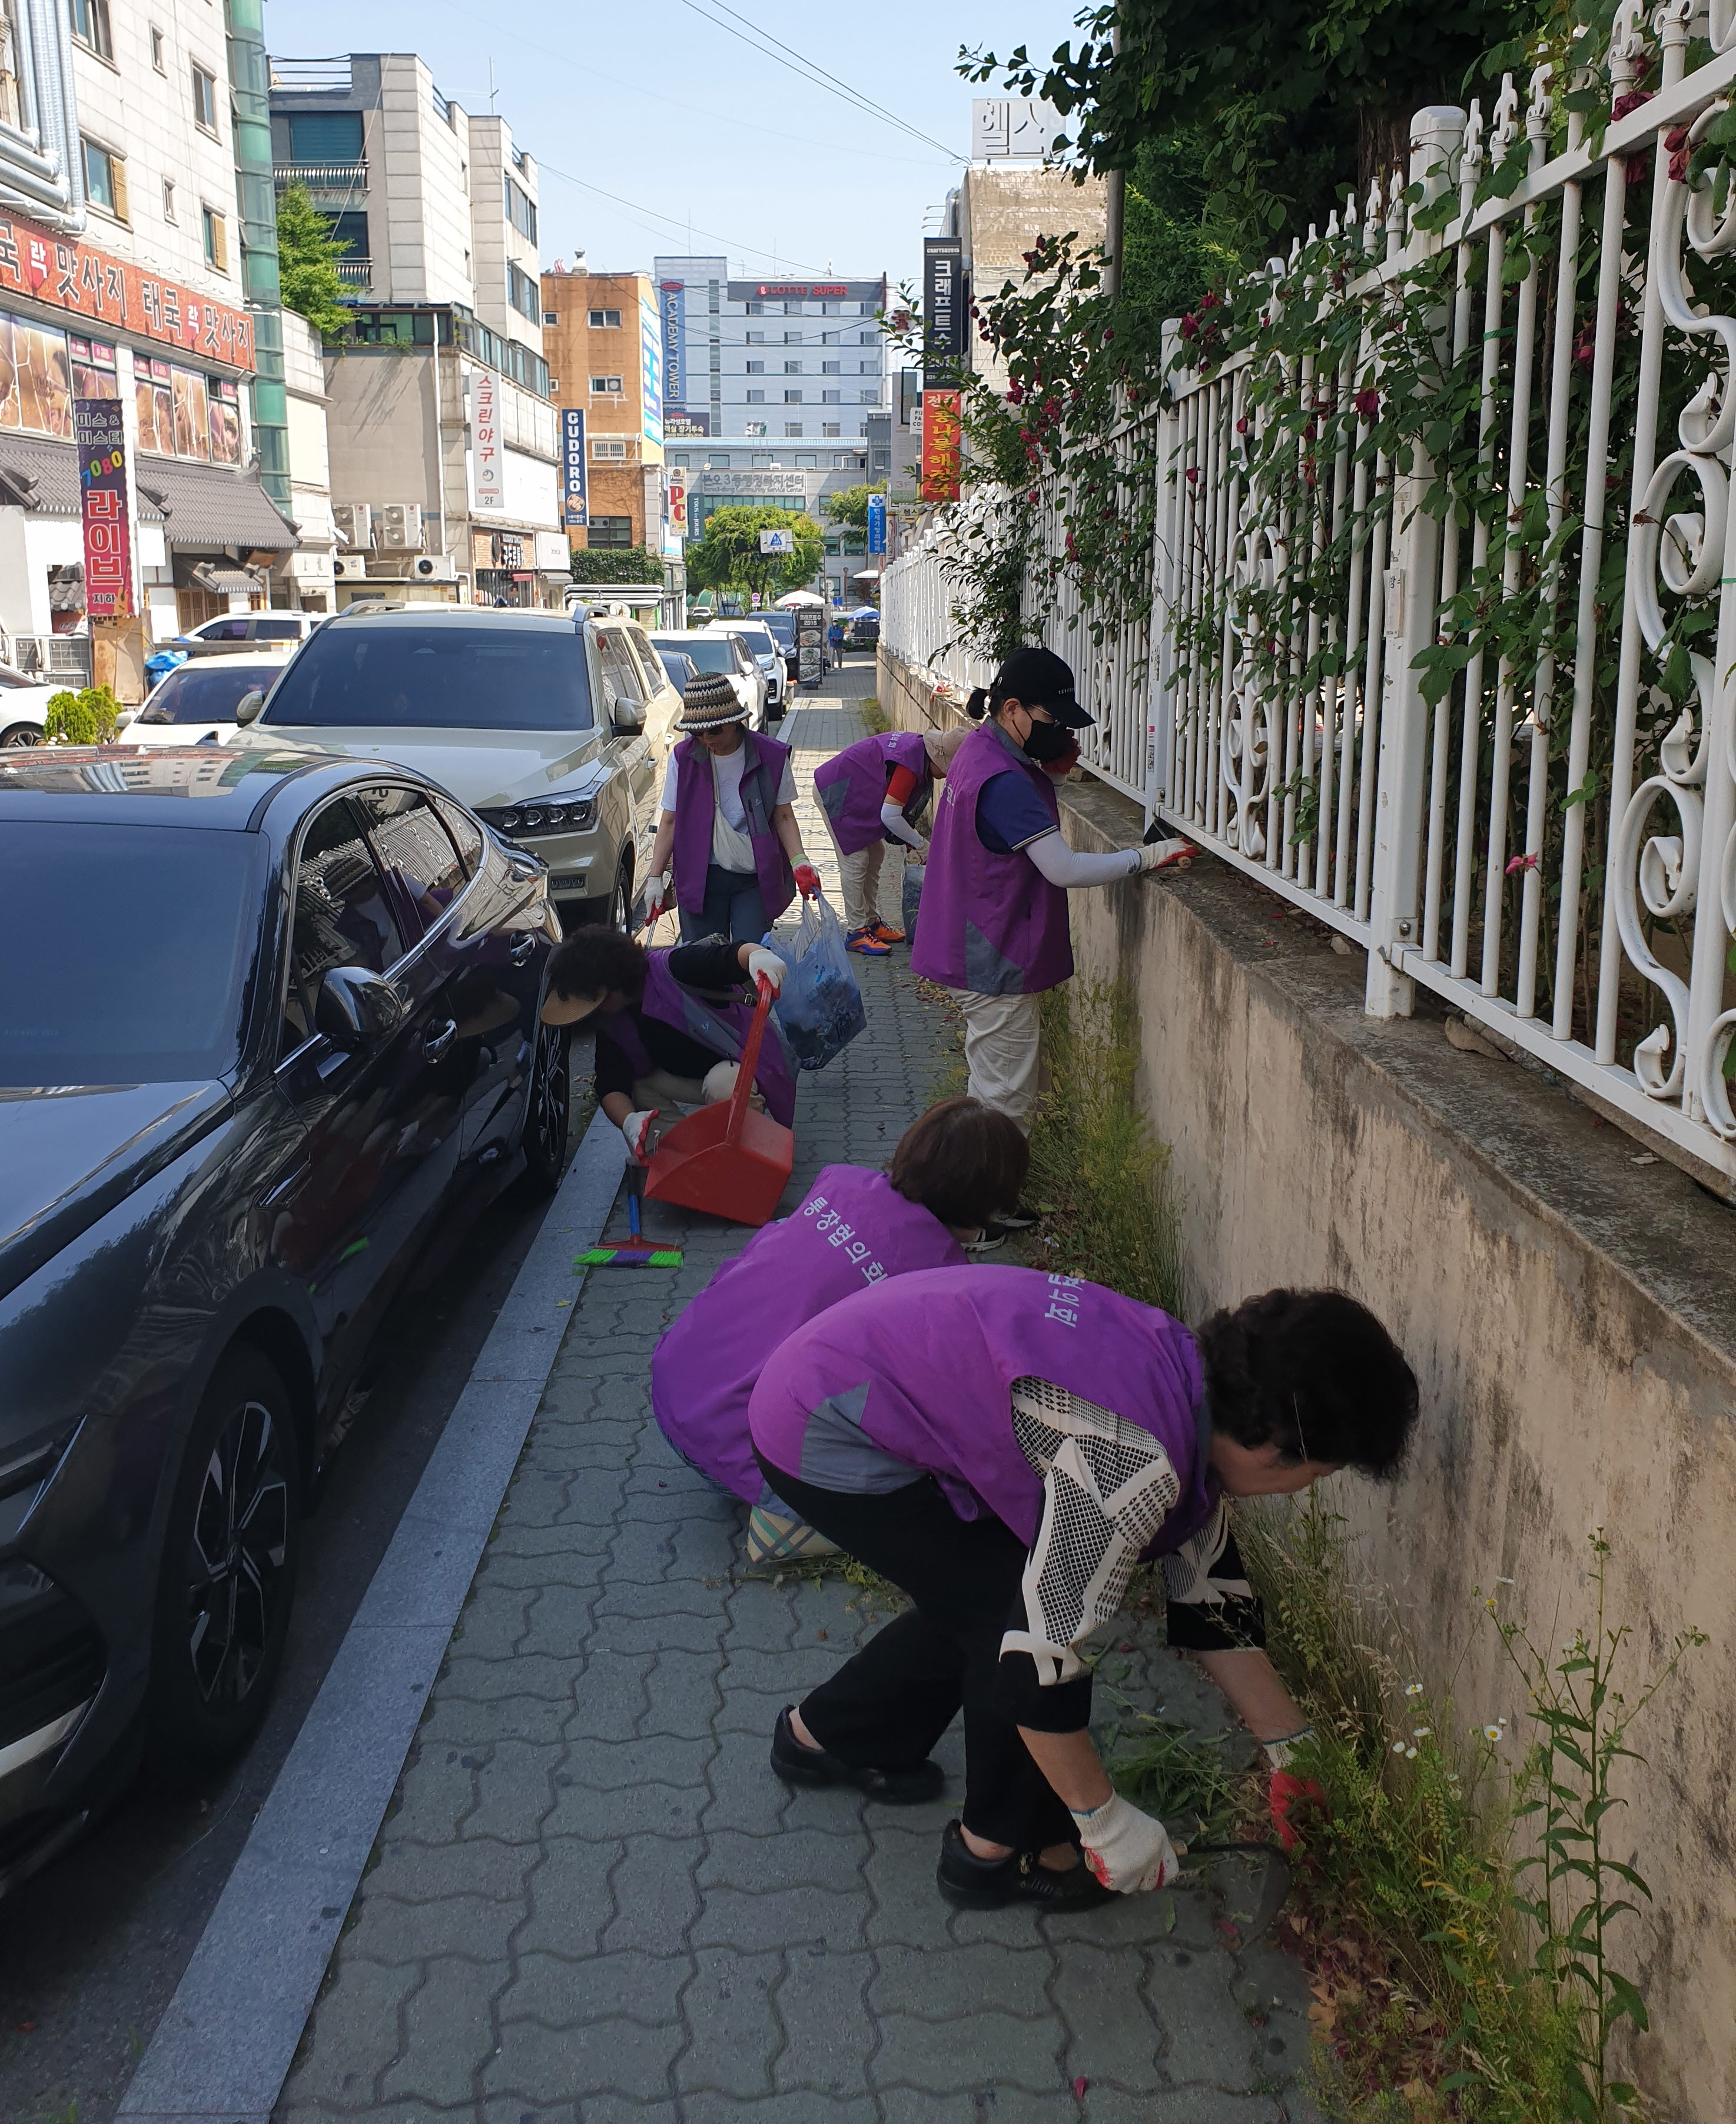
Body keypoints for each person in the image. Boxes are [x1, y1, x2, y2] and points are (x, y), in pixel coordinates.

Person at [748, 1270, 1416, 1910]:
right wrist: (1102, 1822)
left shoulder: (1187, 1377)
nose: (1306, 1489)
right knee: (999, 1611)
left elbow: (1207, 1594)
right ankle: (999, 1852)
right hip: (825, 1420)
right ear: (1274, 1446)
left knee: (980, 1591)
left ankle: (833, 1736)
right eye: (1320, 1473)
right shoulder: (1135, 1460)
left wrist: (1291, 1745)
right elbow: (1036, 1657)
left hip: (843, 1364)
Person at [650, 1096, 1029, 1517]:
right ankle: (789, 1523)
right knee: (910, 1491)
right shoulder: (935, 1280)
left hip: (673, 1390)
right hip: (734, 1451)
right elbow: (941, 1415)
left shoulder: (839, 1185)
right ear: (989, 1200)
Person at [909, 645, 1193, 1171]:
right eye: (1049, 719)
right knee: (1004, 1103)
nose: (1059, 731)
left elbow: (1007, 831)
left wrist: (1056, 776)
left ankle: (963, 1191)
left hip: (966, 943)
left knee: (989, 1085)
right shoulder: (1005, 780)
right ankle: (980, 1213)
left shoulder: (979, 751)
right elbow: (1060, 868)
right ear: (1012, 708)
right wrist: (1145, 856)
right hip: (992, 957)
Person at [539, 924, 796, 1161]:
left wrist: (758, 956)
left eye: (597, 1000)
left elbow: (730, 956)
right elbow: (610, 1084)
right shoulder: (612, 1020)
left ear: (614, 984)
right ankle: (684, 1156)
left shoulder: (673, 967)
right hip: (687, 1077)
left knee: (723, 1084)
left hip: (736, 1065)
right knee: (637, 1089)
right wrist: (629, 1121)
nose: (596, 1010)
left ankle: (748, 1157)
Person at [643, 671, 820, 944]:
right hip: (700, 877)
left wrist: (800, 861)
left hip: (754, 876)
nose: (707, 739)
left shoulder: (771, 756)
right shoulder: (684, 757)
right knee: (704, 960)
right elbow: (670, 820)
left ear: (736, 721)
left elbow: (783, 816)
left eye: (715, 730)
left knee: (750, 954)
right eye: (698, 732)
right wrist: (655, 877)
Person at [812, 726, 960, 955]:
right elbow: (890, 815)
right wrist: (922, 845)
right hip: (837, 791)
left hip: (858, 794)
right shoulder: (910, 766)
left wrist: (910, 837)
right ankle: (856, 933)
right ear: (939, 759)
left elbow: (895, 811)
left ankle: (871, 922)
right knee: (856, 860)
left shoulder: (918, 752)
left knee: (877, 853)